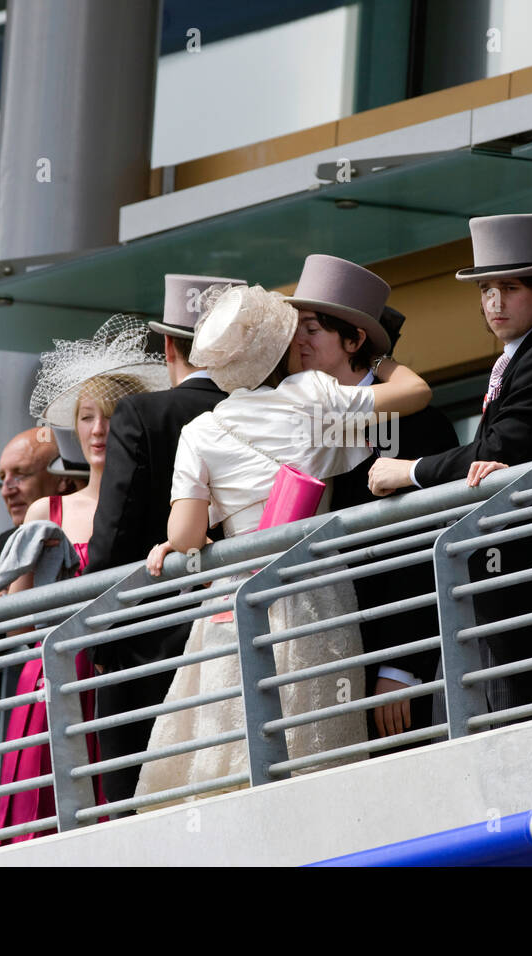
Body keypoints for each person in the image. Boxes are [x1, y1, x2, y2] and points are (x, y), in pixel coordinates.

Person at [134, 283, 432, 802]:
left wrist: (186, 537)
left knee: (229, 728)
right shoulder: (314, 396)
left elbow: (183, 535)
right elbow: (415, 392)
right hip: (315, 586)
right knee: (314, 733)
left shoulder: (201, 429)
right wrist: (379, 359)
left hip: (236, 593)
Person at [367, 213, 532, 714]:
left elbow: (502, 445)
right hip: (515, 594)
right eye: (487, 289)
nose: (496, 302)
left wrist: (410, 470)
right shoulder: (520, 354)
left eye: (510, 288)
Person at [0, 316, 170, 838]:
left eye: (113, 416)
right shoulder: (45, 510)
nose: (98, 430)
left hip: (124, 676)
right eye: (88, 416)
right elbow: (11, 623)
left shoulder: (153, 508)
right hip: (51, 679)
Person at [84, 273, 243, 806]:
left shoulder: (142, 414)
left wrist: (99, 635)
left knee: (141, 801)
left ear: (169, 346)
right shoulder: (259, 408)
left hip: (146, 638)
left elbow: (112, 535)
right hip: (238, 623)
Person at [287, 256, 458, 742]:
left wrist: (402, 664)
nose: (299, 341)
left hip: (387, 658)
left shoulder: (420, 424)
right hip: (318, 649)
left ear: (355, 339)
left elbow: (426, 551)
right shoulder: (298, 412)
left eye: (313, 329)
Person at [0, 427, 69, 556]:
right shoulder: (10, 542)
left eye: (20, 475)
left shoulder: (96, 525)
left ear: (62, 479)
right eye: (2, 478)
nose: (6, 492)